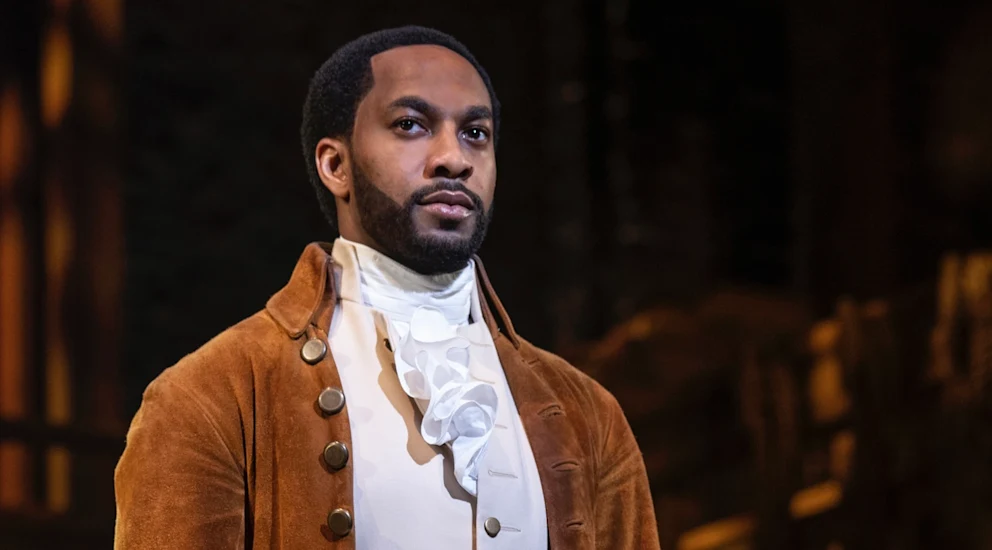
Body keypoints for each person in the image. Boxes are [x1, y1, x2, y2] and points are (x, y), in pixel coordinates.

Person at [114, 25, 659, 549]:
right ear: (335, 165)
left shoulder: (589, 415)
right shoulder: (212, 398)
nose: (454, 158)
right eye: (411, 125)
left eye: (476, 133)